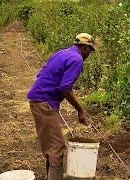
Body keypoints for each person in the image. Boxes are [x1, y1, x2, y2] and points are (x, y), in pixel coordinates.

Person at [27, 33, 96, 179]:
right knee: (57, 147)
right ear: (85, 47)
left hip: (40, 99)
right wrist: (80, 110)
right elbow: (65, 88)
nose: (90, 54)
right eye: (90, 50)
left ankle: (51, 176)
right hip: (44, 102)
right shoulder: (76, 59)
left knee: (52, 146)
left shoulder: (63, 53)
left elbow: (42, 73)